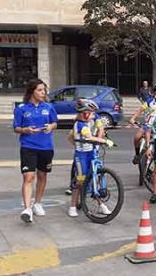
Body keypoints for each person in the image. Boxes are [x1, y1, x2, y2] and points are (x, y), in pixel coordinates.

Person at [13, 79, 58, 223]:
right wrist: (25, 130)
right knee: (28, 177)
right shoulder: (21, 108)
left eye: (44, 90)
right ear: (32, 91)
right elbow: (16, 128)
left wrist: (51, 127)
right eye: (40, 90)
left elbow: (55, 123)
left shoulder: (49, 107)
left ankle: (38, 202)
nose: (43, 93)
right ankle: (27, 208)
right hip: (28, 146)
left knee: (42, 175)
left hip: (46, 147)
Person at [68, 98, 113, 217]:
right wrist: (104, 141)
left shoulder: (88, 122)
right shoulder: (80, 124)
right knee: (80, 181)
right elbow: (87, 137)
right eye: (92, 113)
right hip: (81, 155)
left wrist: (97, 144)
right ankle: (72, 206)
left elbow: (100, 130)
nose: (94, 116)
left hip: (91, 152)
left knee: (94, 178)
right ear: (85, 113)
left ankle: (101, 204)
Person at [129, 82, 156, 164]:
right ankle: (137, 155)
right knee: (137, 137)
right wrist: (133, 118)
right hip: (147, 125)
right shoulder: (149, 101)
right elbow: (139, 111)